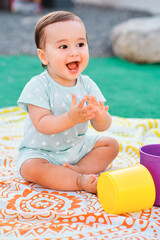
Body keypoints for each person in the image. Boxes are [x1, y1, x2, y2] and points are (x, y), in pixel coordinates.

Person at [17, 11, 119, 194]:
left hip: (77, 147)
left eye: (80, 44)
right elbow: (42, 124)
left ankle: (78, 169)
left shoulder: (87, 84)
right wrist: (71, 118)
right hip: (43, 153)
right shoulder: (38, 85)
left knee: (110, 144)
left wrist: (101, 116)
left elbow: (102, 126)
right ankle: (79, 181)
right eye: (63, 46)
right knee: (30, 167)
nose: (74, 52)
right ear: (43, 57)